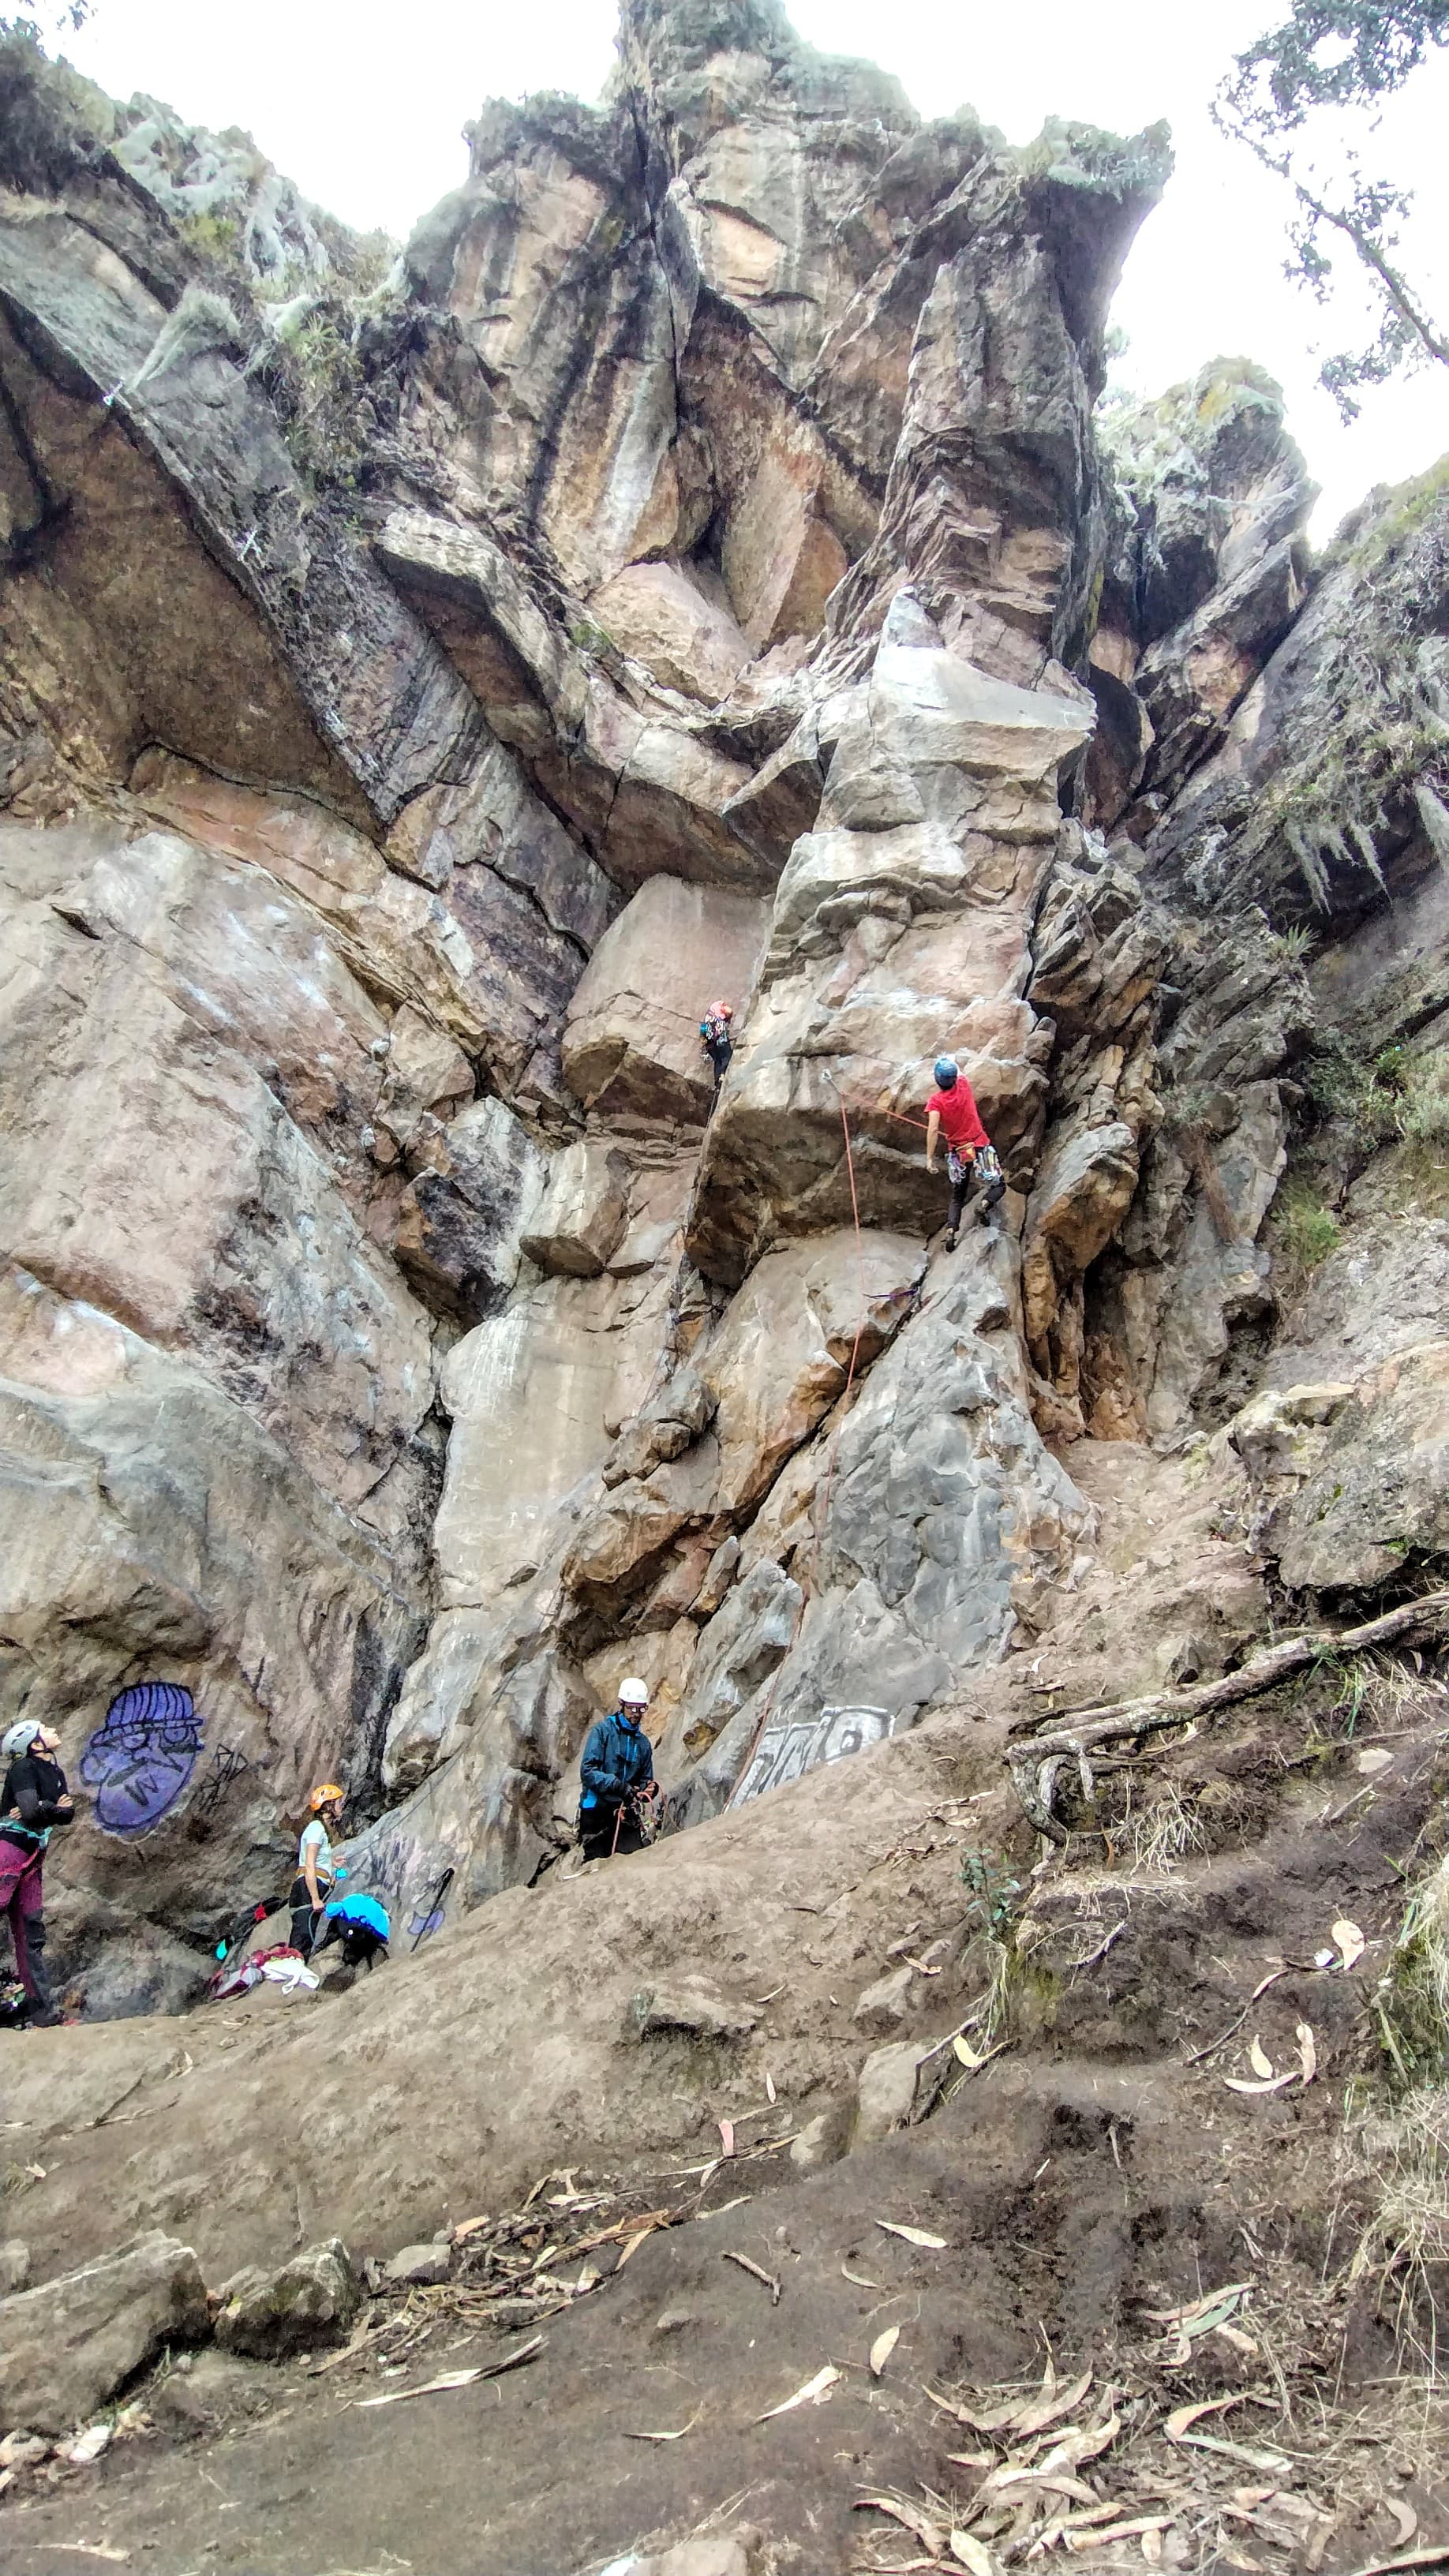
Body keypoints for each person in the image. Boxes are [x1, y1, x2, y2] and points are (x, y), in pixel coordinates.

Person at [1, 1719, 77, 2024]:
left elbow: (66, 1814)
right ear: (34, 1744)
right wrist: (51, 1807)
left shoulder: (55, 1772)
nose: (53, 1729)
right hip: (9, 1850)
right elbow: (35, 1812)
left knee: (31, 1931)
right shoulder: (23, 1769)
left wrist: (44, 1807)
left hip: (32, 1855)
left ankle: (42, 2012)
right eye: (44, 1729)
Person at [924, 1054, 1004, 1250]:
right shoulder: (963, 1085)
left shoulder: (935, 1102)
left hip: (958, 1153)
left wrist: (929, 1158)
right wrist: (948, 1058)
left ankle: (951, 1231)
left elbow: (933, 1129)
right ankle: (985, 1204)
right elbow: (957, 1069)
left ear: (937, 1080)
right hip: (979, 1146)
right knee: (999, 1185)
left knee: (958, 1196)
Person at [578, 1680, 658, 1862]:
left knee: (633, 1861)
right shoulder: (602, 1732)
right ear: (622, 1705)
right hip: (597, 1811)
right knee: (596, 1866)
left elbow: (646, 1779)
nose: (636, 1714)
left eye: (641, 1709)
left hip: (624, 1811)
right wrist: (618, 1786)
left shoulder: (643, 1744)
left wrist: (650, 1789)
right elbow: (588, 1771)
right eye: (632, 1708)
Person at [290, 1783, 346, 1956]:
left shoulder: (320, 1829)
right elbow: (309, 1864)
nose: (340, 1805)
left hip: (311, 1886)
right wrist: (315, 1898)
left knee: (309, 1934)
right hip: (308, 1890)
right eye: (337, 1802)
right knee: (304, 1938)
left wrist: (331, 1863)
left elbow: (316, 1860)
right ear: (328, 1806)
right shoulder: (316, 1829)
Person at [312, 1889, 390, 1977]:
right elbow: (383, 1935)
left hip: (346, 1926)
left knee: (327, 1941)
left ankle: (317, 1952)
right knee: (365, 1952)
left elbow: (331, 1910)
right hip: (366, 1934)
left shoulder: (355, 1900)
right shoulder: (380, 1913)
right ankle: (355, 1968)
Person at [699, 1000, 735, 1098]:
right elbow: (722, 1037)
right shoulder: (720, 1021)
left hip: (708, 1041)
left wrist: (704, 1048)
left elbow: (703, 1030)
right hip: (717, 1039)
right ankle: (722, 1074)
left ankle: (717, 1083)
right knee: (726, 1056)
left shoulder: (710, 1013)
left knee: (717, 1060)